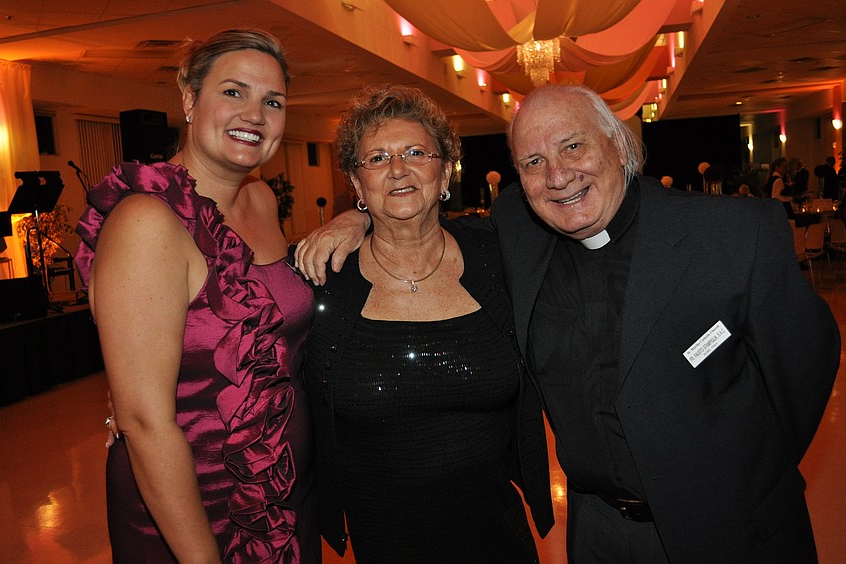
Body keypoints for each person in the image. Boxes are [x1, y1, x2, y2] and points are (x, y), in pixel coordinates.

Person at [296, 84, 840, 564]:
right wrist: (355, 218)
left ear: (619, 144)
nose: (558, 176)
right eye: (532, 162)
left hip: (729, 528)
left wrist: (750, 483)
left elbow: (804, 372)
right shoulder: (516, 233)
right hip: (596, 529)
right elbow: (400, 207)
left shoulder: (732, 234)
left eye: (573, 146)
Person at [75, 29, 319, 562]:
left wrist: (354, 220)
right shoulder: (147, 221)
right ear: (189, 99)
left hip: (282, 490)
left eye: (273, 102)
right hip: (195, 510)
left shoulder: (260, 199)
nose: (254, 115)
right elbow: (143, 422)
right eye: (233, 92)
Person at [302, 84, 553, 562]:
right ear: (356, 183)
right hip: (386, 546)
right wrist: (351, 220)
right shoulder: (322, 280)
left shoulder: (498, 253)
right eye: (377, 159)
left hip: (499, 538)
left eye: (416, 153)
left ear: (446, 171)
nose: (398, 169)